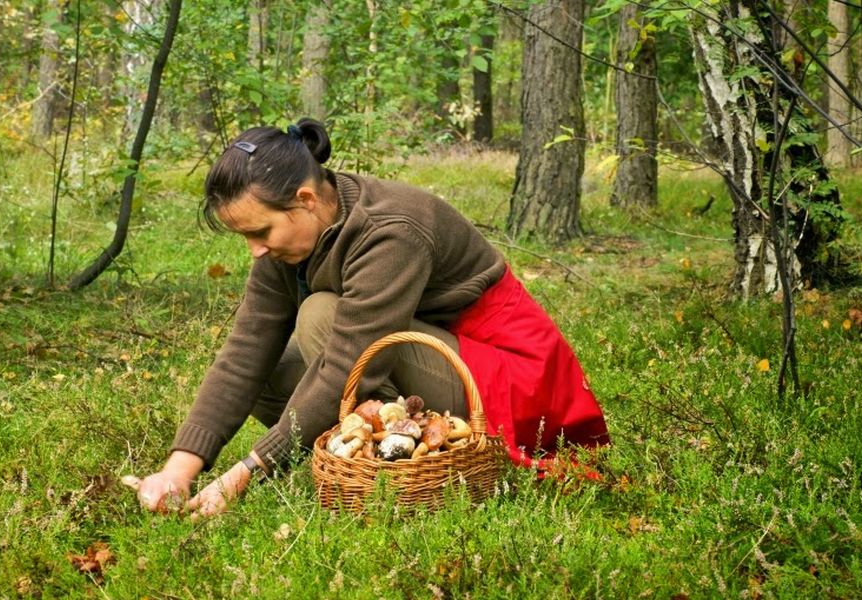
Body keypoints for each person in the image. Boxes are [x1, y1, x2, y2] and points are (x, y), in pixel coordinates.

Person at [137, 118, 610, 517]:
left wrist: (241, 476)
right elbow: (245, 352)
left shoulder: (391, 230)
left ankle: (401, 477)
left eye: (261, 231)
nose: (255, 249)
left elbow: (351, 364)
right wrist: (179, 470)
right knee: (270, 370)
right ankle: (369, 459)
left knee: (321, 317)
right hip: (437, 357)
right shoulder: (287, 245)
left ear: (304, 199)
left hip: (509, 380)